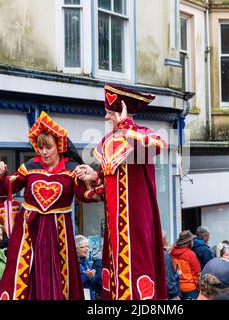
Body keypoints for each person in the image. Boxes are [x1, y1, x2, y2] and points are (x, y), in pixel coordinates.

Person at [0, 112, 102, 300]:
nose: (44, 152)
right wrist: (0, 176)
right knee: (24, 272)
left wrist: (95, 178)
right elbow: (6, 187)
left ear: (59, 146)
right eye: (40, 147)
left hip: (59, 233)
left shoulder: (72, 169)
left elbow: (87, 195)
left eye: (48, 147)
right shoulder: (31, 166)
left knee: (60, 273)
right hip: (29, 229)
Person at [75, 84, 167, 300]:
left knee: (137, 264)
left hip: (136, 219)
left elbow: (156, 147)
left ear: (122, 111)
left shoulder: (143, 134)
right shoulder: (107, 141)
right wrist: (93, 176)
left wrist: (126, 125)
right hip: (114, 225)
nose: (106, 118)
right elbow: (107, 189)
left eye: (110, 113)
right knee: (115, 270)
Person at [170, 230, 201, 300]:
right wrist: (199, 289)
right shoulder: (190, 254)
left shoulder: (171, 253)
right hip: (190, 289)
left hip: (176, 289)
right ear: (189, 242)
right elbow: (197, 274)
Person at [75, 235, 99, 300]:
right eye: (83, 247)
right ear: (76, 249)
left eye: (87, 246)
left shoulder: (86, 261)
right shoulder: (72, 263)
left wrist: (93, 276)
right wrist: (86, 276)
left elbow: (93, 283)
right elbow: (73, 282)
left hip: (89, 295)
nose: (87, 249)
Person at [162, 231, 180, 300]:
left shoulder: (150, 253)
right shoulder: (165, 255)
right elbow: (169, 279)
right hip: (166, 294)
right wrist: (175, 294)